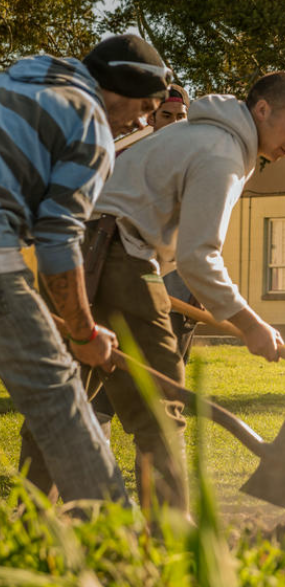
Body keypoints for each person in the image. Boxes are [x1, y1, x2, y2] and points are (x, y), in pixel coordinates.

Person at [20, 71, 285, 513]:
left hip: (77, 252)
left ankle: (27, 521)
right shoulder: (223, 154)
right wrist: (248, 322)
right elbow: (200, 257)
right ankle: (172, 534)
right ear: (262, 110)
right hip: (115, 254)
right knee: (160, 405)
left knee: (60, 397)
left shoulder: (197, 133)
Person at [2, 33, 171, 504]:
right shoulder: (90, 125)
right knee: (61, 405)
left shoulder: (24, 80)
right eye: (142, 108)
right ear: (117, 89)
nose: (139, 122)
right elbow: (58, 242)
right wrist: (84, 334)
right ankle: (120, 548)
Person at [91, 84, 195, 443]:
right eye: (167, 116)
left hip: (174, 275)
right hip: (122, 273)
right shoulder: (126, 153)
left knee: (166, 371)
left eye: (181, 117)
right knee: (110, 372)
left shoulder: (189, 158)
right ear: (151, 118)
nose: (175, 124)